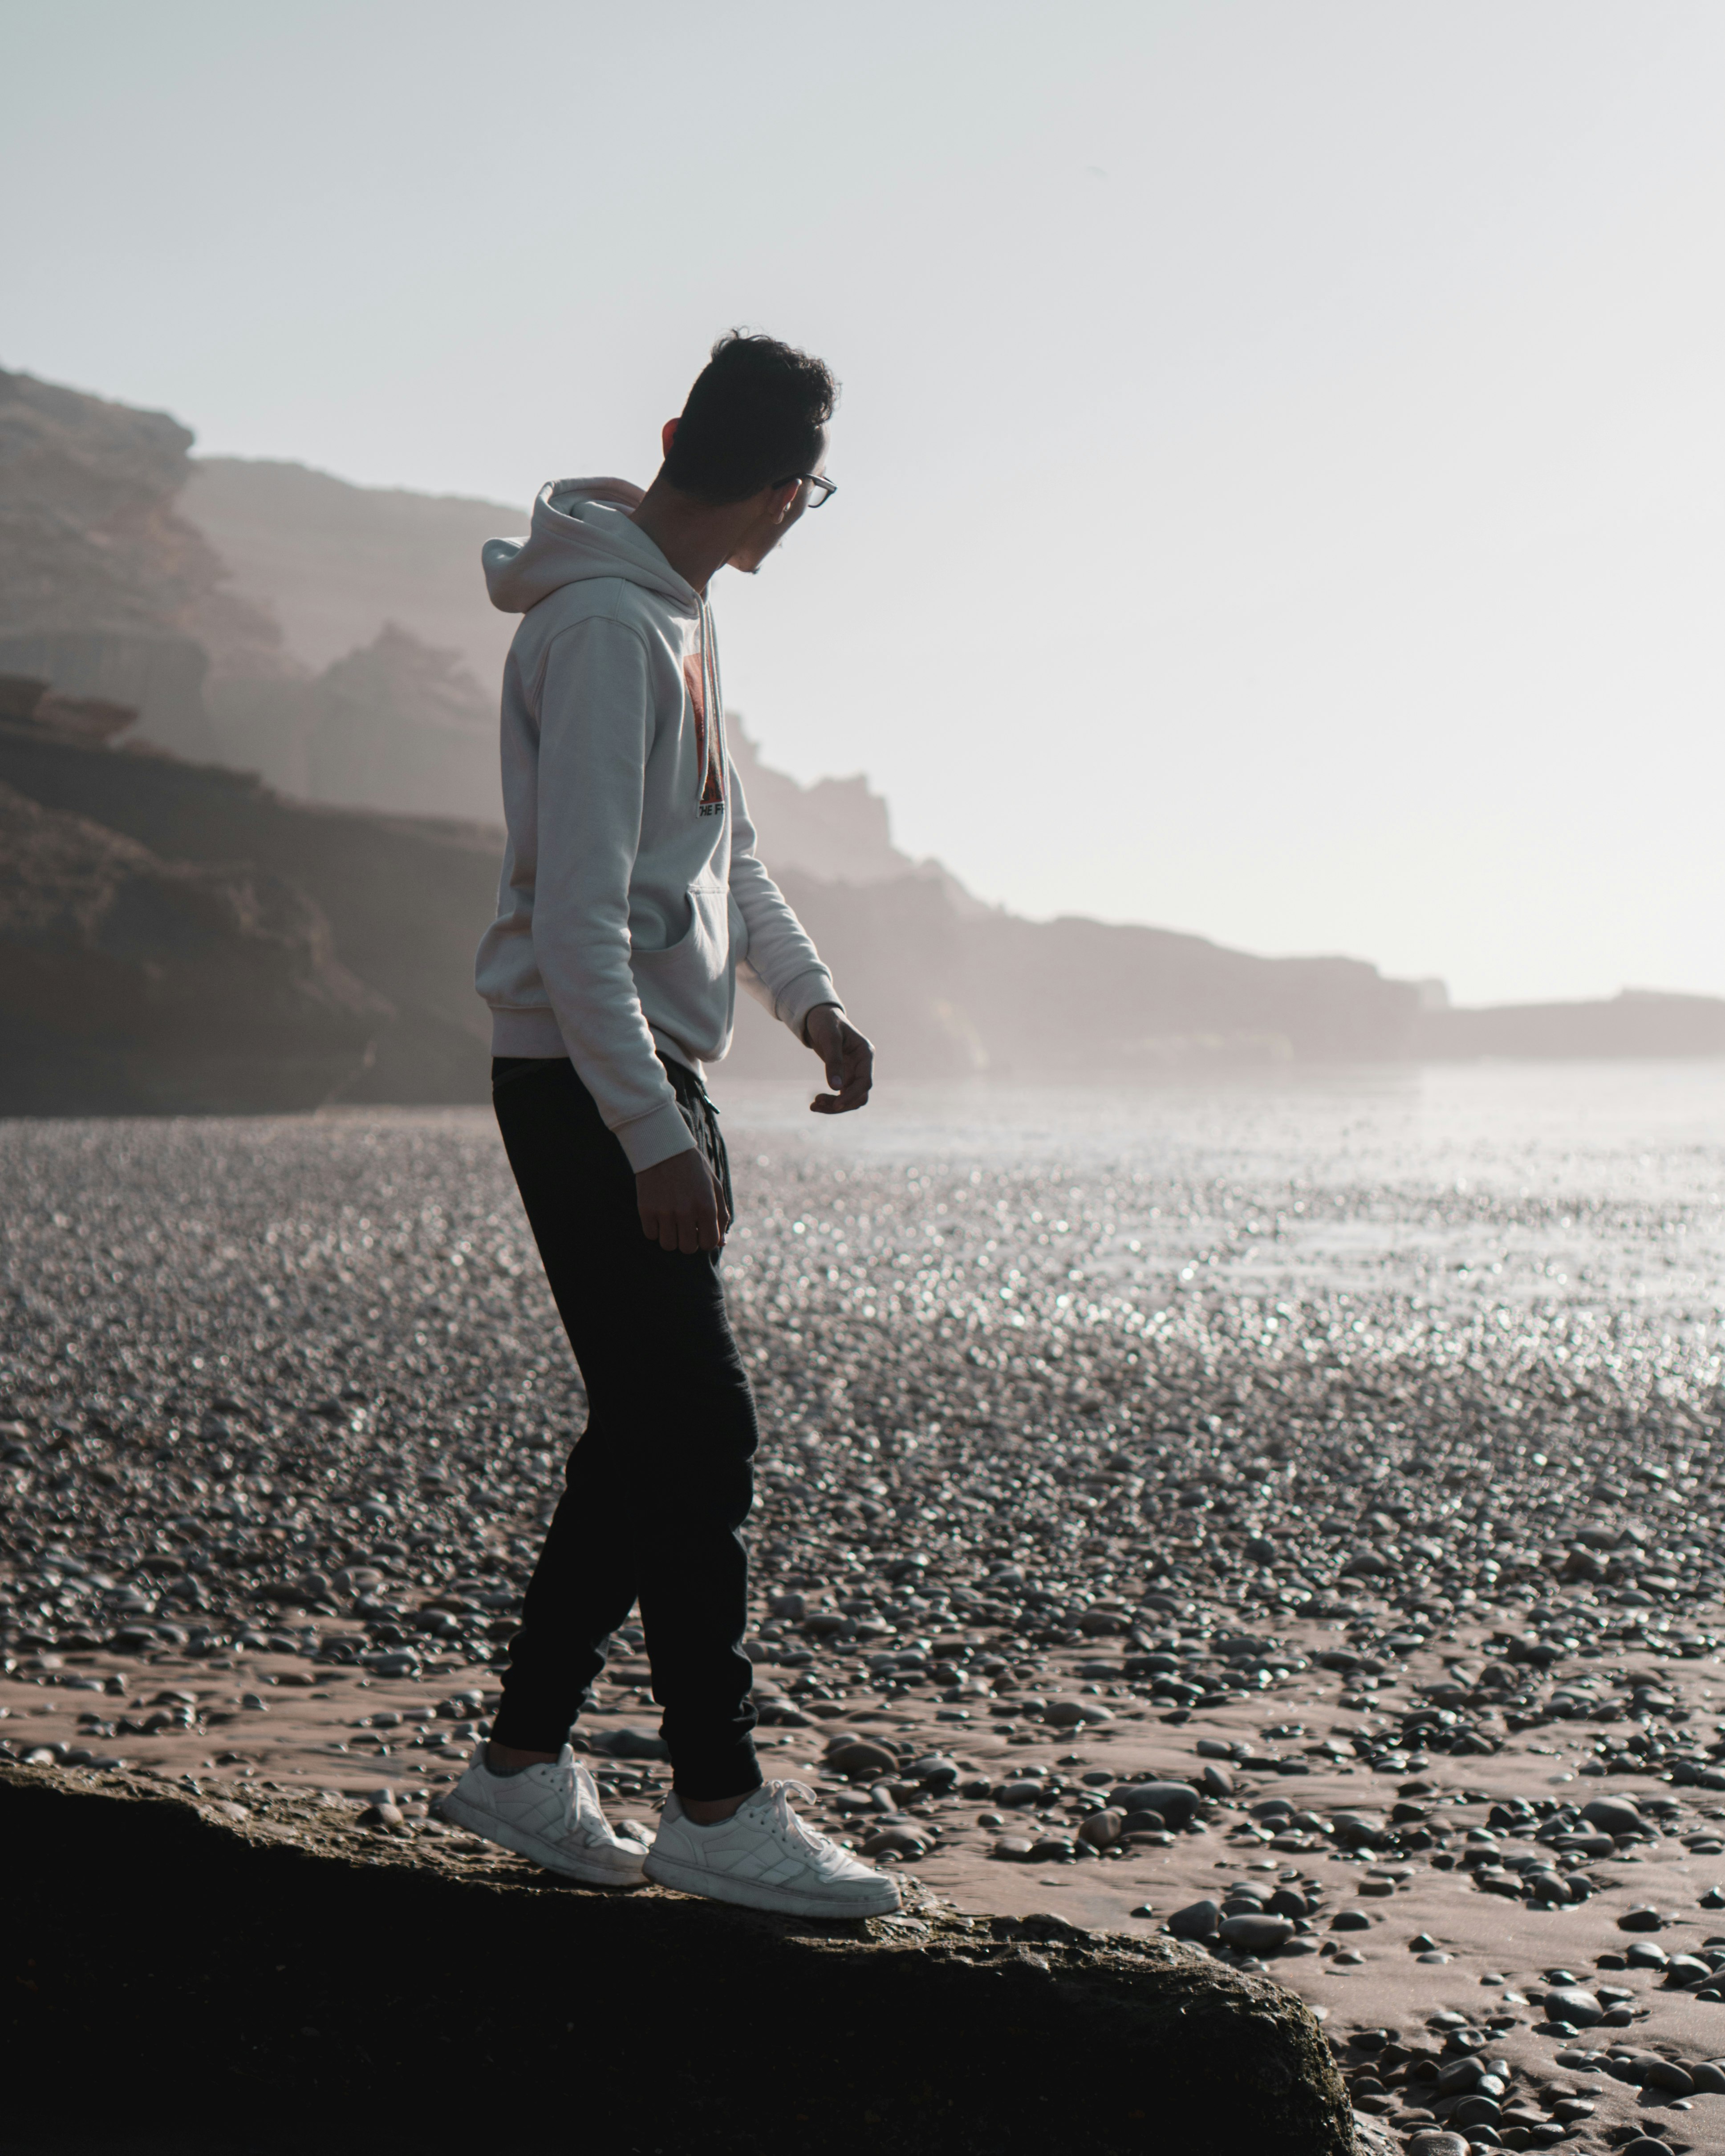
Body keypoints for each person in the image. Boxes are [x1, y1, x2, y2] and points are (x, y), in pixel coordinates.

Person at [444, 332, 898, 1918]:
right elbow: (575, 926)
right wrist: (649, 1134)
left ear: (672, 437)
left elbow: (727, 853)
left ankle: (518, 1766)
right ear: (787, 492)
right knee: (699, 1430)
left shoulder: (670, 618)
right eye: (810, 494)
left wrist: (810, 1004)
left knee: (648, 1429)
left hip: (627, 1067)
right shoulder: (609, 629)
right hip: (586, 1073)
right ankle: (717, 1797)